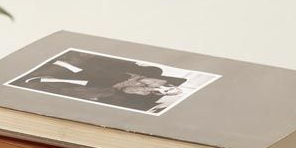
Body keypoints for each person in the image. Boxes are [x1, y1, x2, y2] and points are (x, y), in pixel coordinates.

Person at [11, 51, 186, 111]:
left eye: (153, 92)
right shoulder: (131, 66)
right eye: (164, 85)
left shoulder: (96, 91)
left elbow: (31, 85)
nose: (148, 87)